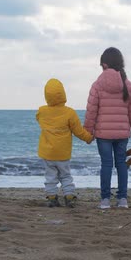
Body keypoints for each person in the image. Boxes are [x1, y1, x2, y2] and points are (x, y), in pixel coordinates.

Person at [84, 47, 131, 209]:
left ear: (104, 65)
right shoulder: (129, 86)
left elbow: (92, 111)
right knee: (121, 163)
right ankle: (122, 199)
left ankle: (105, 200)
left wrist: (87, 132)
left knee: (106, 164)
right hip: (122, 133)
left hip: (103, 134)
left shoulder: (97, 85)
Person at [36, 78, 94, 208]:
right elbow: (78, 131)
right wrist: (89, 138)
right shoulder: (69, 112)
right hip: (63, 153)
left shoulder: (42, 111)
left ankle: (52, 197)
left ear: (46, 95)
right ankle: (68, 195)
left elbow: (38, 118)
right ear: (63, 94)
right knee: (66, 175)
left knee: (50, 176)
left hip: (47, 153)